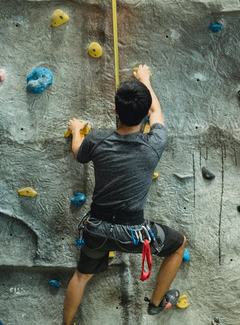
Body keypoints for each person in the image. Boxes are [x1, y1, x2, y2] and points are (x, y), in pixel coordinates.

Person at [62, 65, 187, 325]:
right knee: (178, 245)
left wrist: (76, 130)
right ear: (144, 117)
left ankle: (66, 324)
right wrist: (144, 80)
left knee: (82, 276)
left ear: (115, 110)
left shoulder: (96, 140)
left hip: (96, 230)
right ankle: (156, 303)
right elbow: (156, 111)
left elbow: (78, 153)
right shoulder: (155, 143)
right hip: (134, 235)